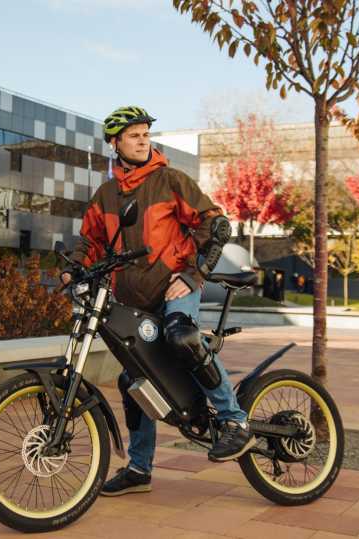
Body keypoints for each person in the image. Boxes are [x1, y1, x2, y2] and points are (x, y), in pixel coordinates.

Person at [60, 106, 254, 497]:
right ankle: (139, 468)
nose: (143, 140)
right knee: (134, 380)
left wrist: (192, 274)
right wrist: (73, 268)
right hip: (132, 297)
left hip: (176, 287)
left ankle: (235, 421)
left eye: (145, 134)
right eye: (134, 135)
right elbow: (90, 240)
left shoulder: (170, 181)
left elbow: (214, 225)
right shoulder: (106, 195)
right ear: (115, 143)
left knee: (182, 336)